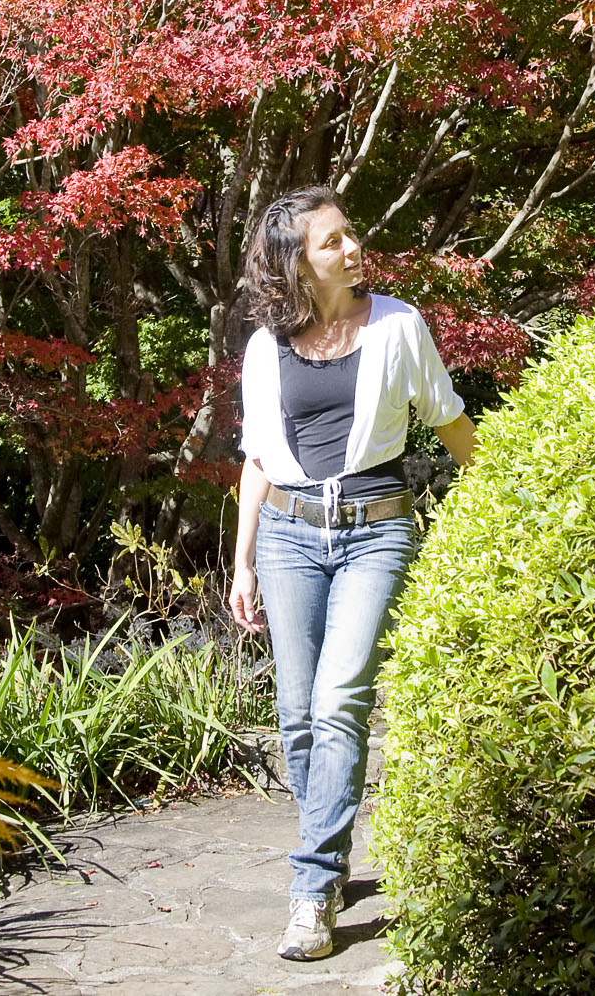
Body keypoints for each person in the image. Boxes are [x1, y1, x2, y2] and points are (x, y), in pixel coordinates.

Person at [228, 184, 479, 962]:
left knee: (340, 699)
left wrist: (501, 507)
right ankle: (327, 853)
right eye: (330, 241)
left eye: (349, 234)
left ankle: (312, 887)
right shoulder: (266, 345)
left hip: (377, 530)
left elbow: (452, 423)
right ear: (297, 262)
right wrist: (241, 561)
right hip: (288, 535)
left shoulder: (400, 325)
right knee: (298, 711)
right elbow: (259, 459)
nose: (350, 247)